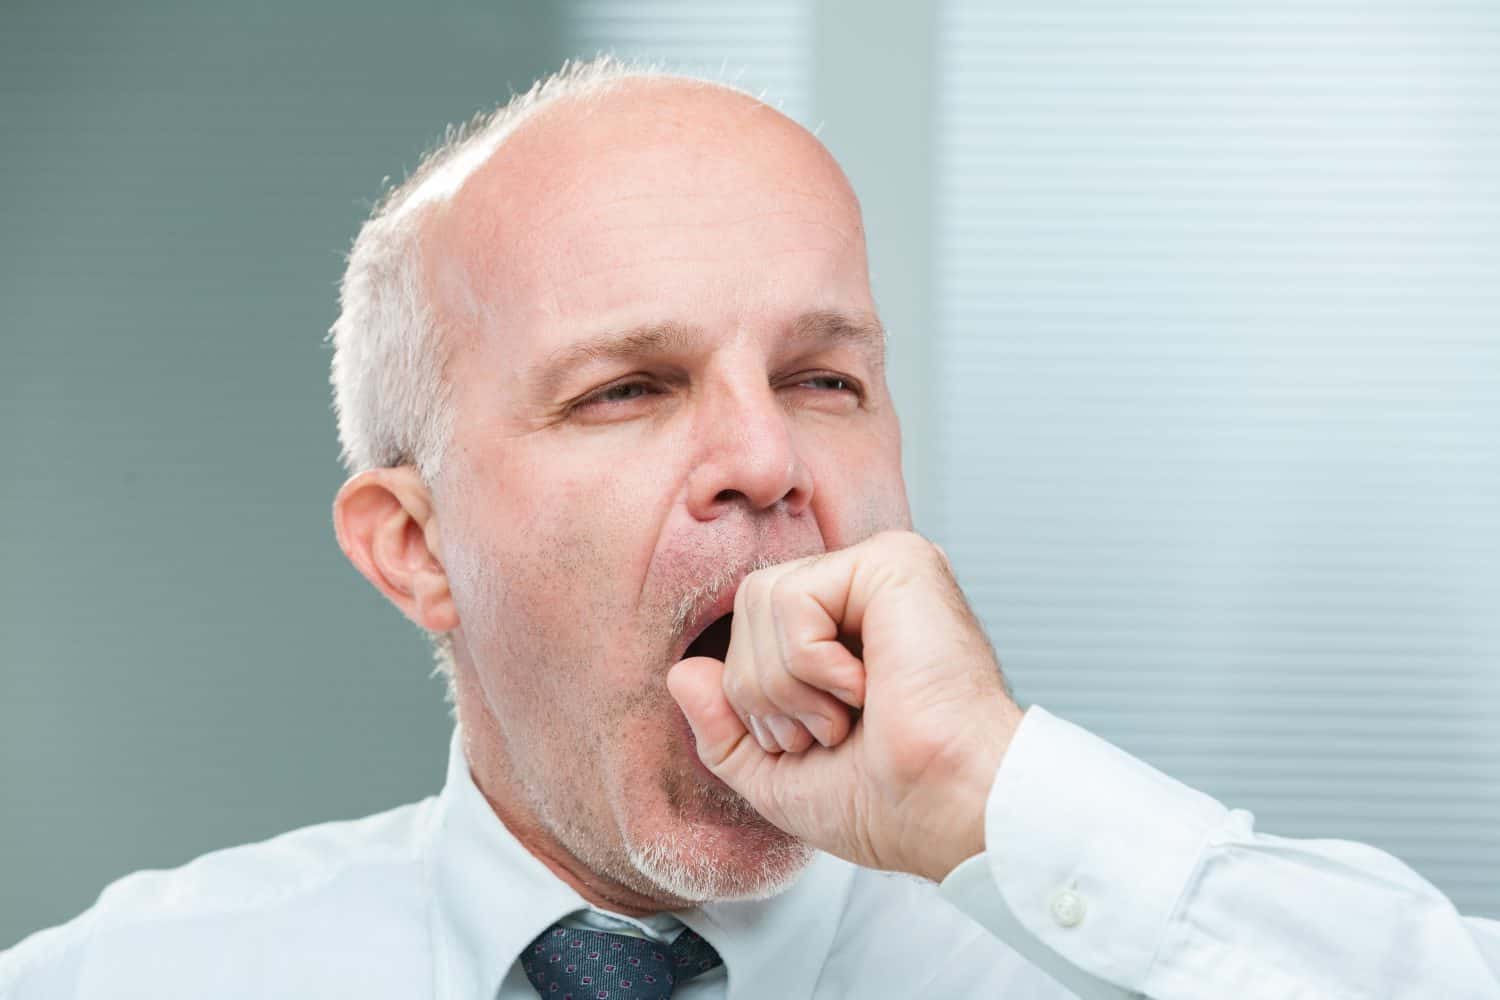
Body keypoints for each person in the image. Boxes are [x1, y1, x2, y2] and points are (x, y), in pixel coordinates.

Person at [3, 56, 1496, 1000]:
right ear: (413, 546)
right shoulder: (129, 980)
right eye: (630, 390)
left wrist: (990, 791)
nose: (767, 458)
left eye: (821, 378)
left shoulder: (1118, 957)